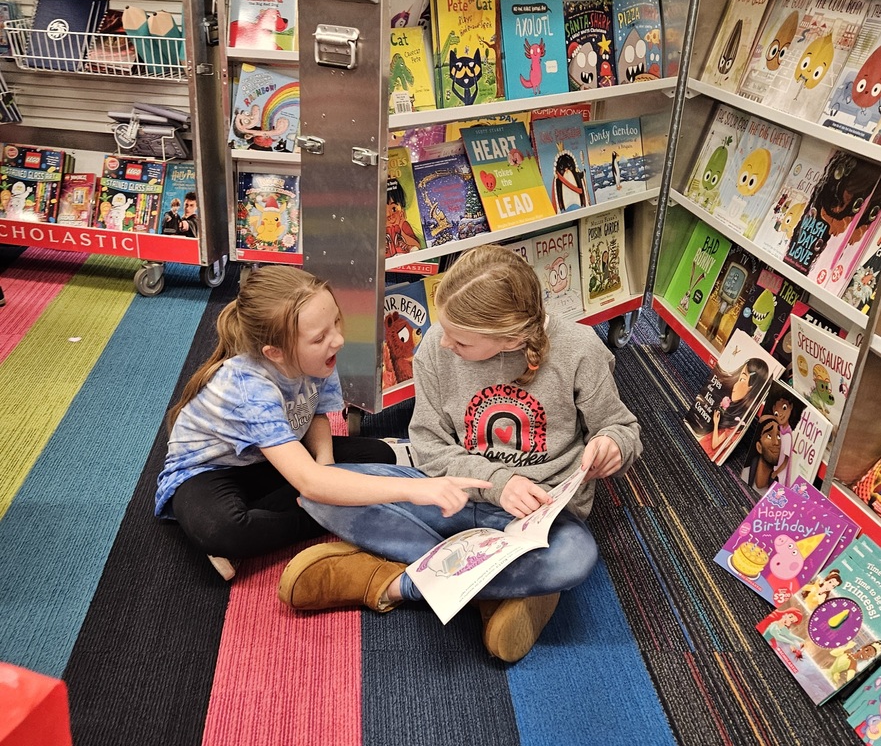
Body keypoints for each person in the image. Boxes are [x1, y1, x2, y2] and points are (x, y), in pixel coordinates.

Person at [278, 244, 643, 662]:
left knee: (576, 559)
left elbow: (623, 429)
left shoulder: (580, 350)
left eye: (462, 341)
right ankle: (503, 589)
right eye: (444, 328)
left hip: (536, 521)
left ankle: (393, 581)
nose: (445, 343)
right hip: (451, 496)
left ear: (513, 338)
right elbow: (430, 447)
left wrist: (613, 446)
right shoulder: (437, 345)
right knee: (323, 491)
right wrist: (497, 484)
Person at [155, 265, 488, 581]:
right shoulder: (248, 389)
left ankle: (317, 500)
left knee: (379, 457)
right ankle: (312, 506)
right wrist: (412, 489)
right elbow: (312, 481)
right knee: (226, 530)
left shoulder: (317, 358)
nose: (338, 340)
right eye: (320, 337)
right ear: (275, 353)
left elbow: (314, 413)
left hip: (272, 455)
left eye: (336, 324)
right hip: (209, 474)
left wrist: (326, 464)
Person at [698, 357, 771, 458]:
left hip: (708, 453)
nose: (735, 385)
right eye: (739, 378)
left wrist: (715, 423)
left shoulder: (737, 424)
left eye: (742, 379)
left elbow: (715, 445)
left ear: (752, 388)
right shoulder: (732, 410)